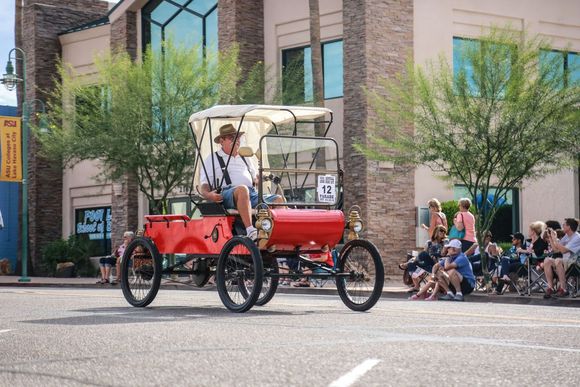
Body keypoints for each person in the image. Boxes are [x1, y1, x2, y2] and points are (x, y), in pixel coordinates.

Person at [199, 124, 282, 240]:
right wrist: (210, 195)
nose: (237, 141)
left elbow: (254, 179)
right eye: (232, 138)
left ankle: (278, 234)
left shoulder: (245, 157)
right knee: (242, 189)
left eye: (238, 138)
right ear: (221, 141)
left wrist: (263, 176)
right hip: (227, 194)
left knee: (278, 199)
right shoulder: (212, 159)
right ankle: (250, 230)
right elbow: (204, 185)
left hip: (250, 193)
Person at [403, 224, 448, 293]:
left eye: (444, 231)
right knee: (412, 264)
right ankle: (416, 286)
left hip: (437, 264)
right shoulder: (429, 242)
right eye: (441, 231)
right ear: (436, 232)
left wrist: (445, 244)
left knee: (423, 254)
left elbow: (443, 254)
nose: (443, 233)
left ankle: (408, 263)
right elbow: (422, 255)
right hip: (427, 263)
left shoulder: (445, 242)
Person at [543, 218, 580, 299]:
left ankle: (563, 289)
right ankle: (550, 287)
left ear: (569, 227)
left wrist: (555, 240)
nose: (562, 226)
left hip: (575, 262)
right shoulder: (567, 236)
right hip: (566, 261)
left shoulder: (577, 237)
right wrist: (551, 238)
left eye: (564, 224)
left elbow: (563, 251)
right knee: (547, 260)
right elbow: (556, 250)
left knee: (558, 260)